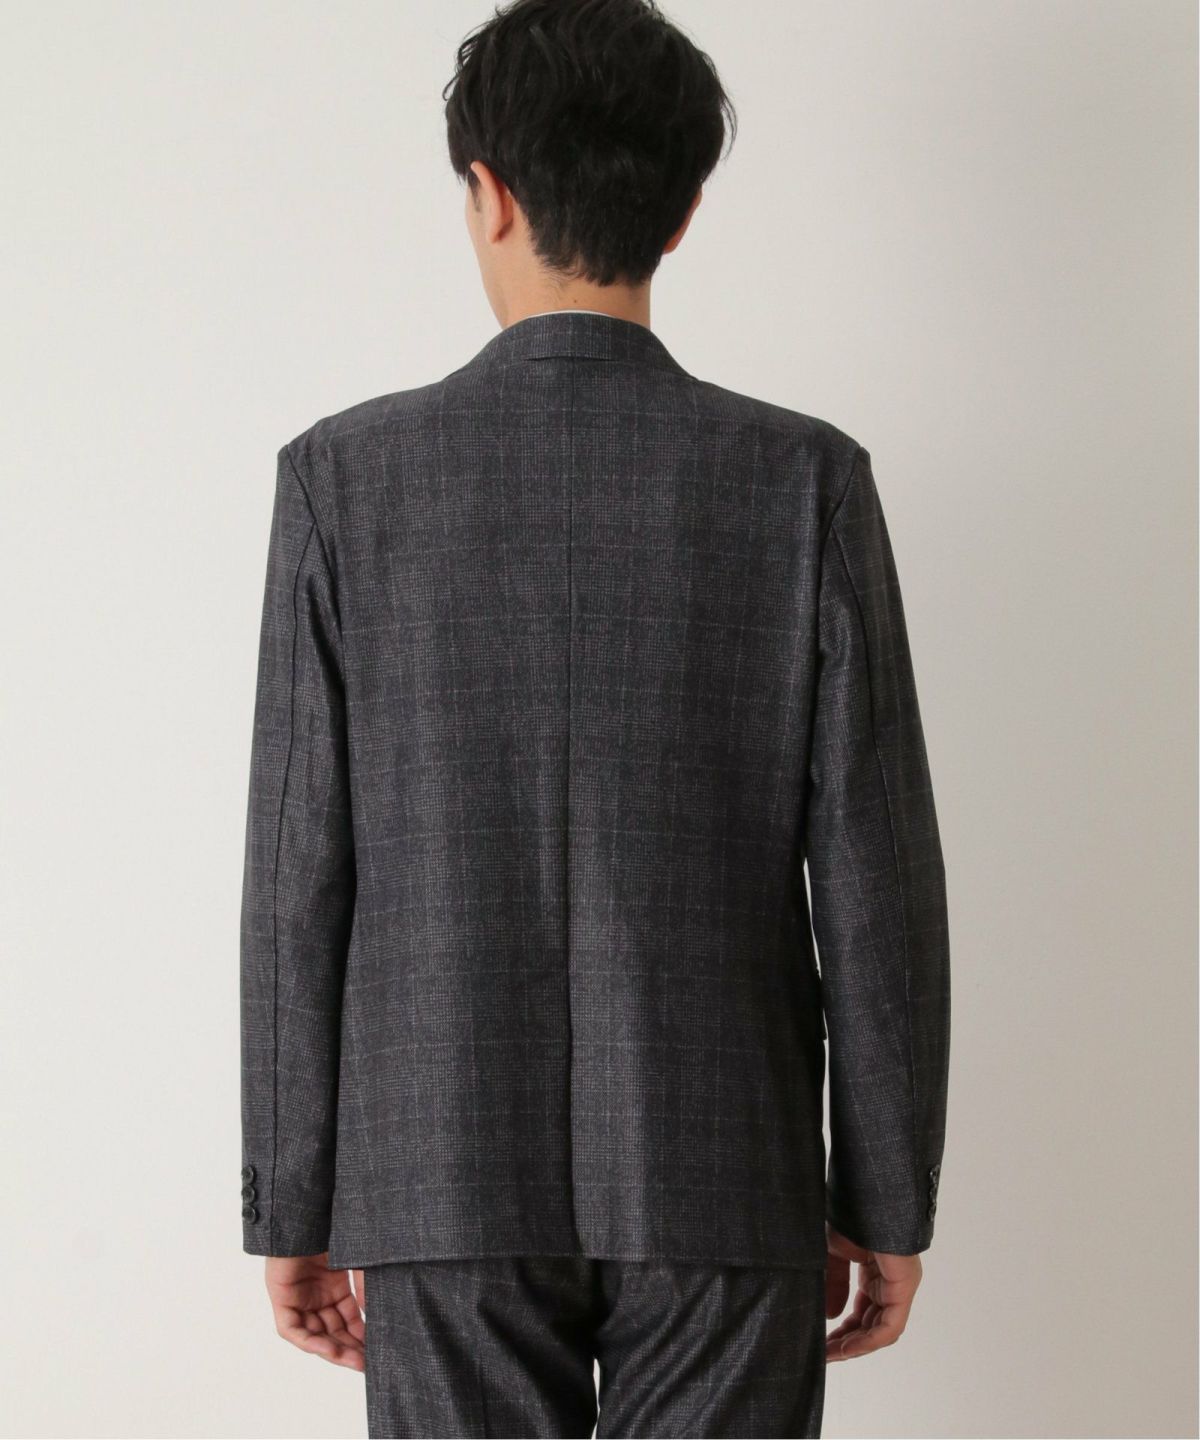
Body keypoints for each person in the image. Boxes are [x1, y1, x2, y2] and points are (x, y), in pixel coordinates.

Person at [238, 1, 951, 1435]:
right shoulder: (804, 483)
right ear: (683, 213)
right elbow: (877, 884)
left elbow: (298, 877)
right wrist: (885, 1199)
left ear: (487, 193)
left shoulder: (344, 483)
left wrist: (294, 1199)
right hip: (725, 1169)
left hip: (436, 1171)